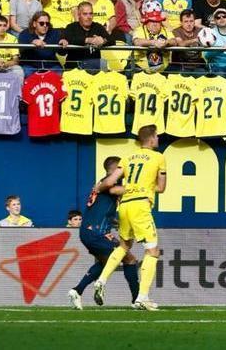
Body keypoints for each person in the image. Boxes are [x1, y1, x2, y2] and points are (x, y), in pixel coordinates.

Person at [91, 125, 165, 311]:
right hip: (141, 205)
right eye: (156, 136)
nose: (158, 139)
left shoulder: (128, 157)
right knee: (153, 251)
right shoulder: (158, 157)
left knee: (124, 246)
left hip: (124, 206)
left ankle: (101, 280)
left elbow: (109, 182)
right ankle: (142, 297)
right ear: (151, 139)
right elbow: (161, 187)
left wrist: (97, 189)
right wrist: (145, 188)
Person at [67, 156, 139, 309]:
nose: (124, 172)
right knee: (130, 259)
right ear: (114, 170)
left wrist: (116, 223)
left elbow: (100, 211)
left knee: (105, 262)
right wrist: (140, 188)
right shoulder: (106, 183)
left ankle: (77, 290)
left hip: (88, 232)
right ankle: (137, 299)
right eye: (121, 169)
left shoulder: (104, 188)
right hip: (97, 233)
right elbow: (113, 187)